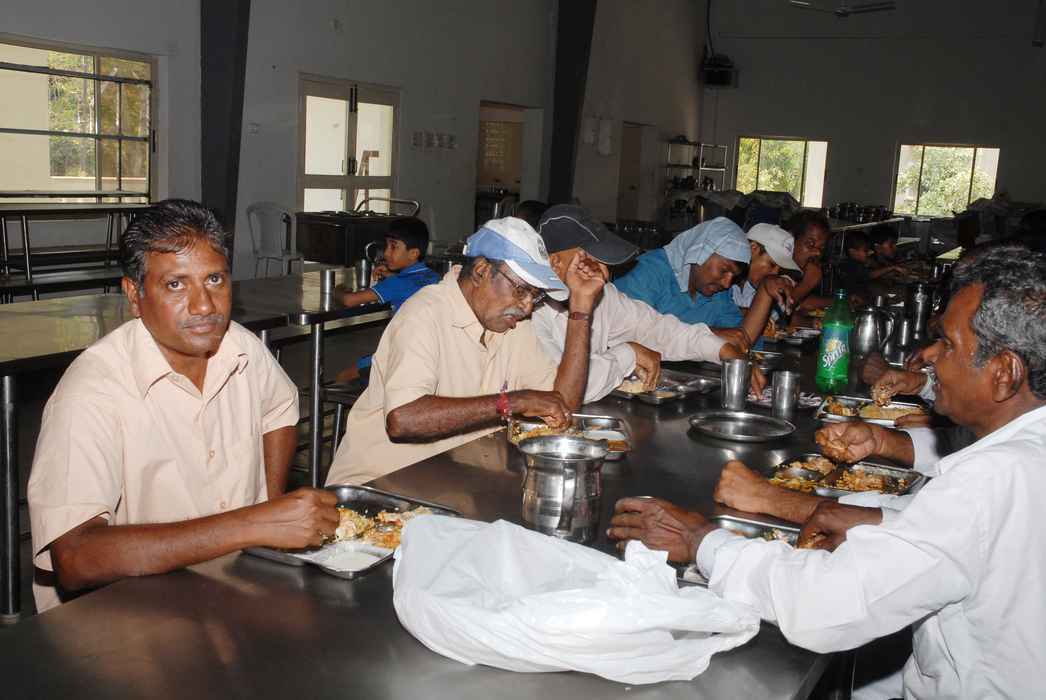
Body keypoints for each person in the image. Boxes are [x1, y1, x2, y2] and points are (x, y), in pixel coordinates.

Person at [609, 244, 1046, 698]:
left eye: (949, 344)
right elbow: (961, 537)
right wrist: (870, 515)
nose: (932, 355)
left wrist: (702, 541)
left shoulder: (994, 478)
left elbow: (828, 605)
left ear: (1005, 372)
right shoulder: (1021, 457)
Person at [27, 199, 340, 613]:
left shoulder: (241, 347)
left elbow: (279, 407)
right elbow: (75, 558)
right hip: (129, 612)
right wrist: (255, 523)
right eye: (176, 284)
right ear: (134, 294)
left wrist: (270, 500)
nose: (204, 306)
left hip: (229, 588)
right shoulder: (92, 392)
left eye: (215, 279)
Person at [325, 216, 604, 485]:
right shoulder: (425, 313)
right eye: (522, 290)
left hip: (455, 482)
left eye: (536, 295)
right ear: (481, 271)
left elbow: (562, 405)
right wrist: (511, 402)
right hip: (382, 481)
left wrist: (581, 309)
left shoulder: (514, 326)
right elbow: (403, 419)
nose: (528, 306)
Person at [531, 205, 764, 402]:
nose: (602, 274)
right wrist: (628, 354)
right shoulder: (530, 311)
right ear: (555, 263)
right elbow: (564, 390)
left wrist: (722, 350)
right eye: (590, 262)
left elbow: (658, 329)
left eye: (604, 263)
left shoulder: (603, 295)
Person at [614, 217, 793, 350]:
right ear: (700, 251)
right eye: (724, 270)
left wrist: (764, 292)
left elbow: (742, 339)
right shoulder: (649, 272)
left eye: (733, 276)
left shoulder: (717, 293)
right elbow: (623, 332)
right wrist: (709, 334)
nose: (727, 283)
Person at [338, 217, 439, 383]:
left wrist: (338, 290)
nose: (386, 253)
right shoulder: (434, 277)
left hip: (399, 356)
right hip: (430, 353)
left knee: (343, 377)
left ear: (413, 253)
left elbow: (350, 300)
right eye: (387, 246)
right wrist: (392, 275)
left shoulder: (397, 283)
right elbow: (412, 284)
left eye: (394, 247)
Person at [730, 223, 800, 313]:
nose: (775, 273)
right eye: (772, 265)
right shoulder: (723, 279)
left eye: (780, 270)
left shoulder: (756, 289)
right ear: (753, 249)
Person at [785, 210, 833, 310]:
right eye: (810, 244)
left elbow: (802, 301)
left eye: (821, 248)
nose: (818, 253)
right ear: (790, 239)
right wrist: (808, 283)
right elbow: (777, 310)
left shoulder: (795, 271)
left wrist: (841, 302)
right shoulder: (772, 267)